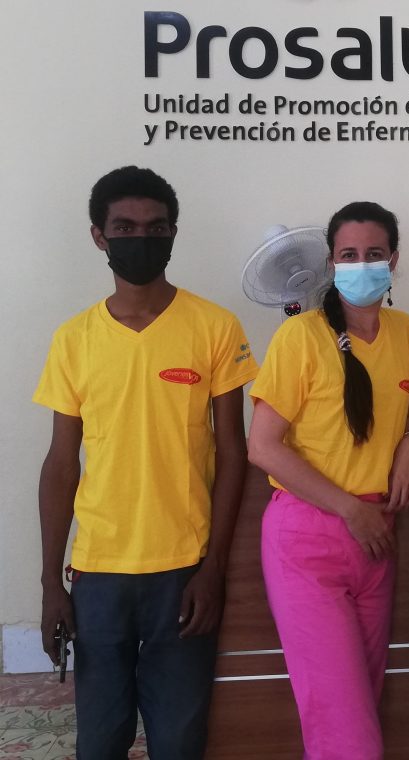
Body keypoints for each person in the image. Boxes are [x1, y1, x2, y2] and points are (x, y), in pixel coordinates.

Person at [34, 166, 257, 759]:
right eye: (125, 227)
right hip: (98, 571)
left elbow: (233, 453)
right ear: (99, 236)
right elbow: (61, 464)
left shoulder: (215, 327)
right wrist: (51, 583)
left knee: (180, 740)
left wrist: (214, 568)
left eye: (156, 227)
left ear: (174, 233)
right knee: (99, 739)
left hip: (184, 569)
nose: (141, 237)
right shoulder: (73, 339)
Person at [247, 201, 409, 759]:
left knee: (355, 710)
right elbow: (262, 446)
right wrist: (350, 509)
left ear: (393, 260)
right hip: (310, 539)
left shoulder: (403, 330)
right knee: (346, 731)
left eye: (374, 253)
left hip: (377, 540)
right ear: (330, 262)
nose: (362, 264)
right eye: (349, 255)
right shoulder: (300, 337)